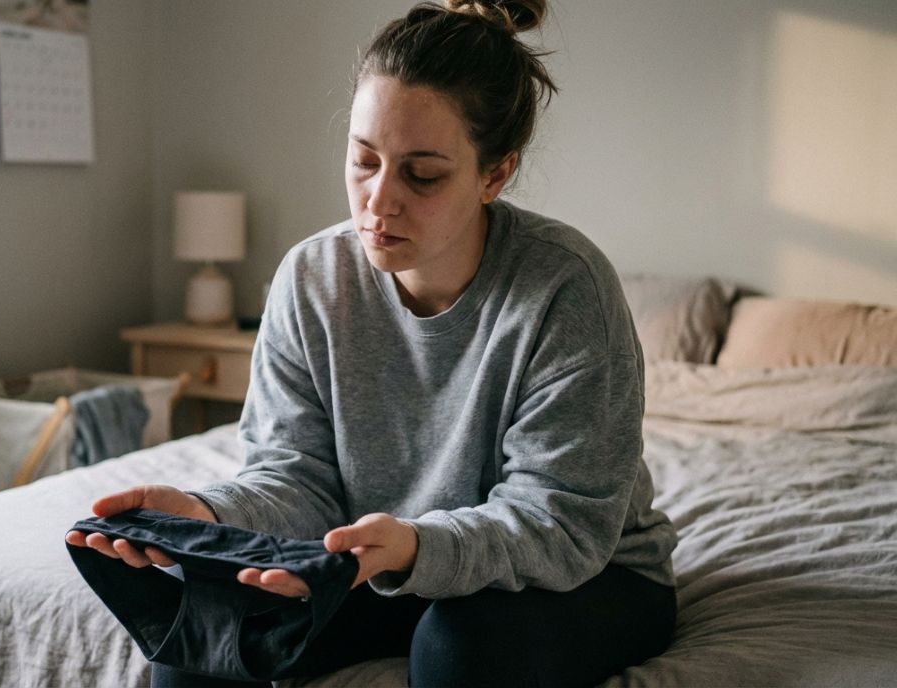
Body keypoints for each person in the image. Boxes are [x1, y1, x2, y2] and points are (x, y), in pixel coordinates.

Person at [66, 1, 678, 685]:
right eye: (363, 160)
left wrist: (416, 546)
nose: (378, 201)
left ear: (494, 175)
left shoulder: (565, 286)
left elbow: (560, 522)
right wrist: (210, 514)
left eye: (422, 175)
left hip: (585, 574)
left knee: (458, 648)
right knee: (203, 636)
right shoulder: (311, 279)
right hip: (377, 561)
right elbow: (297, 477)